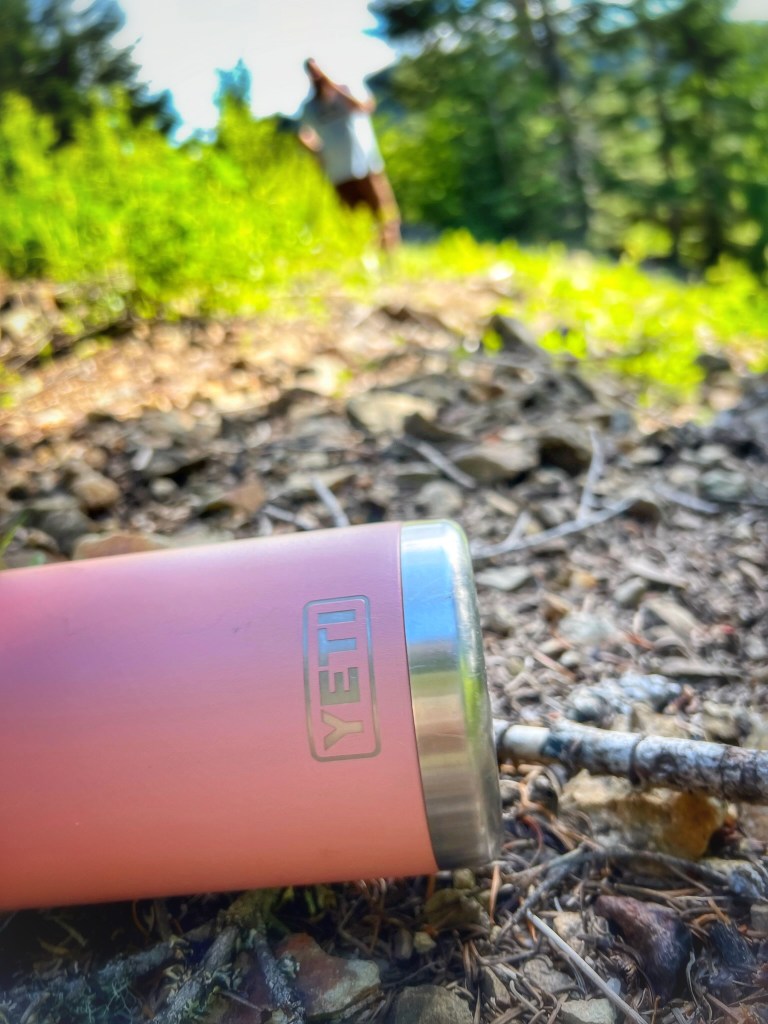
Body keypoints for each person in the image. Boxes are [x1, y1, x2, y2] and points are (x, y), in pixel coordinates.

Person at [298, 59, 400, 251]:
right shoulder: (310, 107)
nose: (316, 76)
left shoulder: (346, 90)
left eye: (318, 71)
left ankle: (390, 256)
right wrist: (317, 153)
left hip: (366, 164)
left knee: (384, 213)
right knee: (352, 217)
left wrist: (333, 87)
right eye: (312, 73)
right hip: (338, 171)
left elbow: (366, 107)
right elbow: (302, 133)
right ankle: (365, 255)